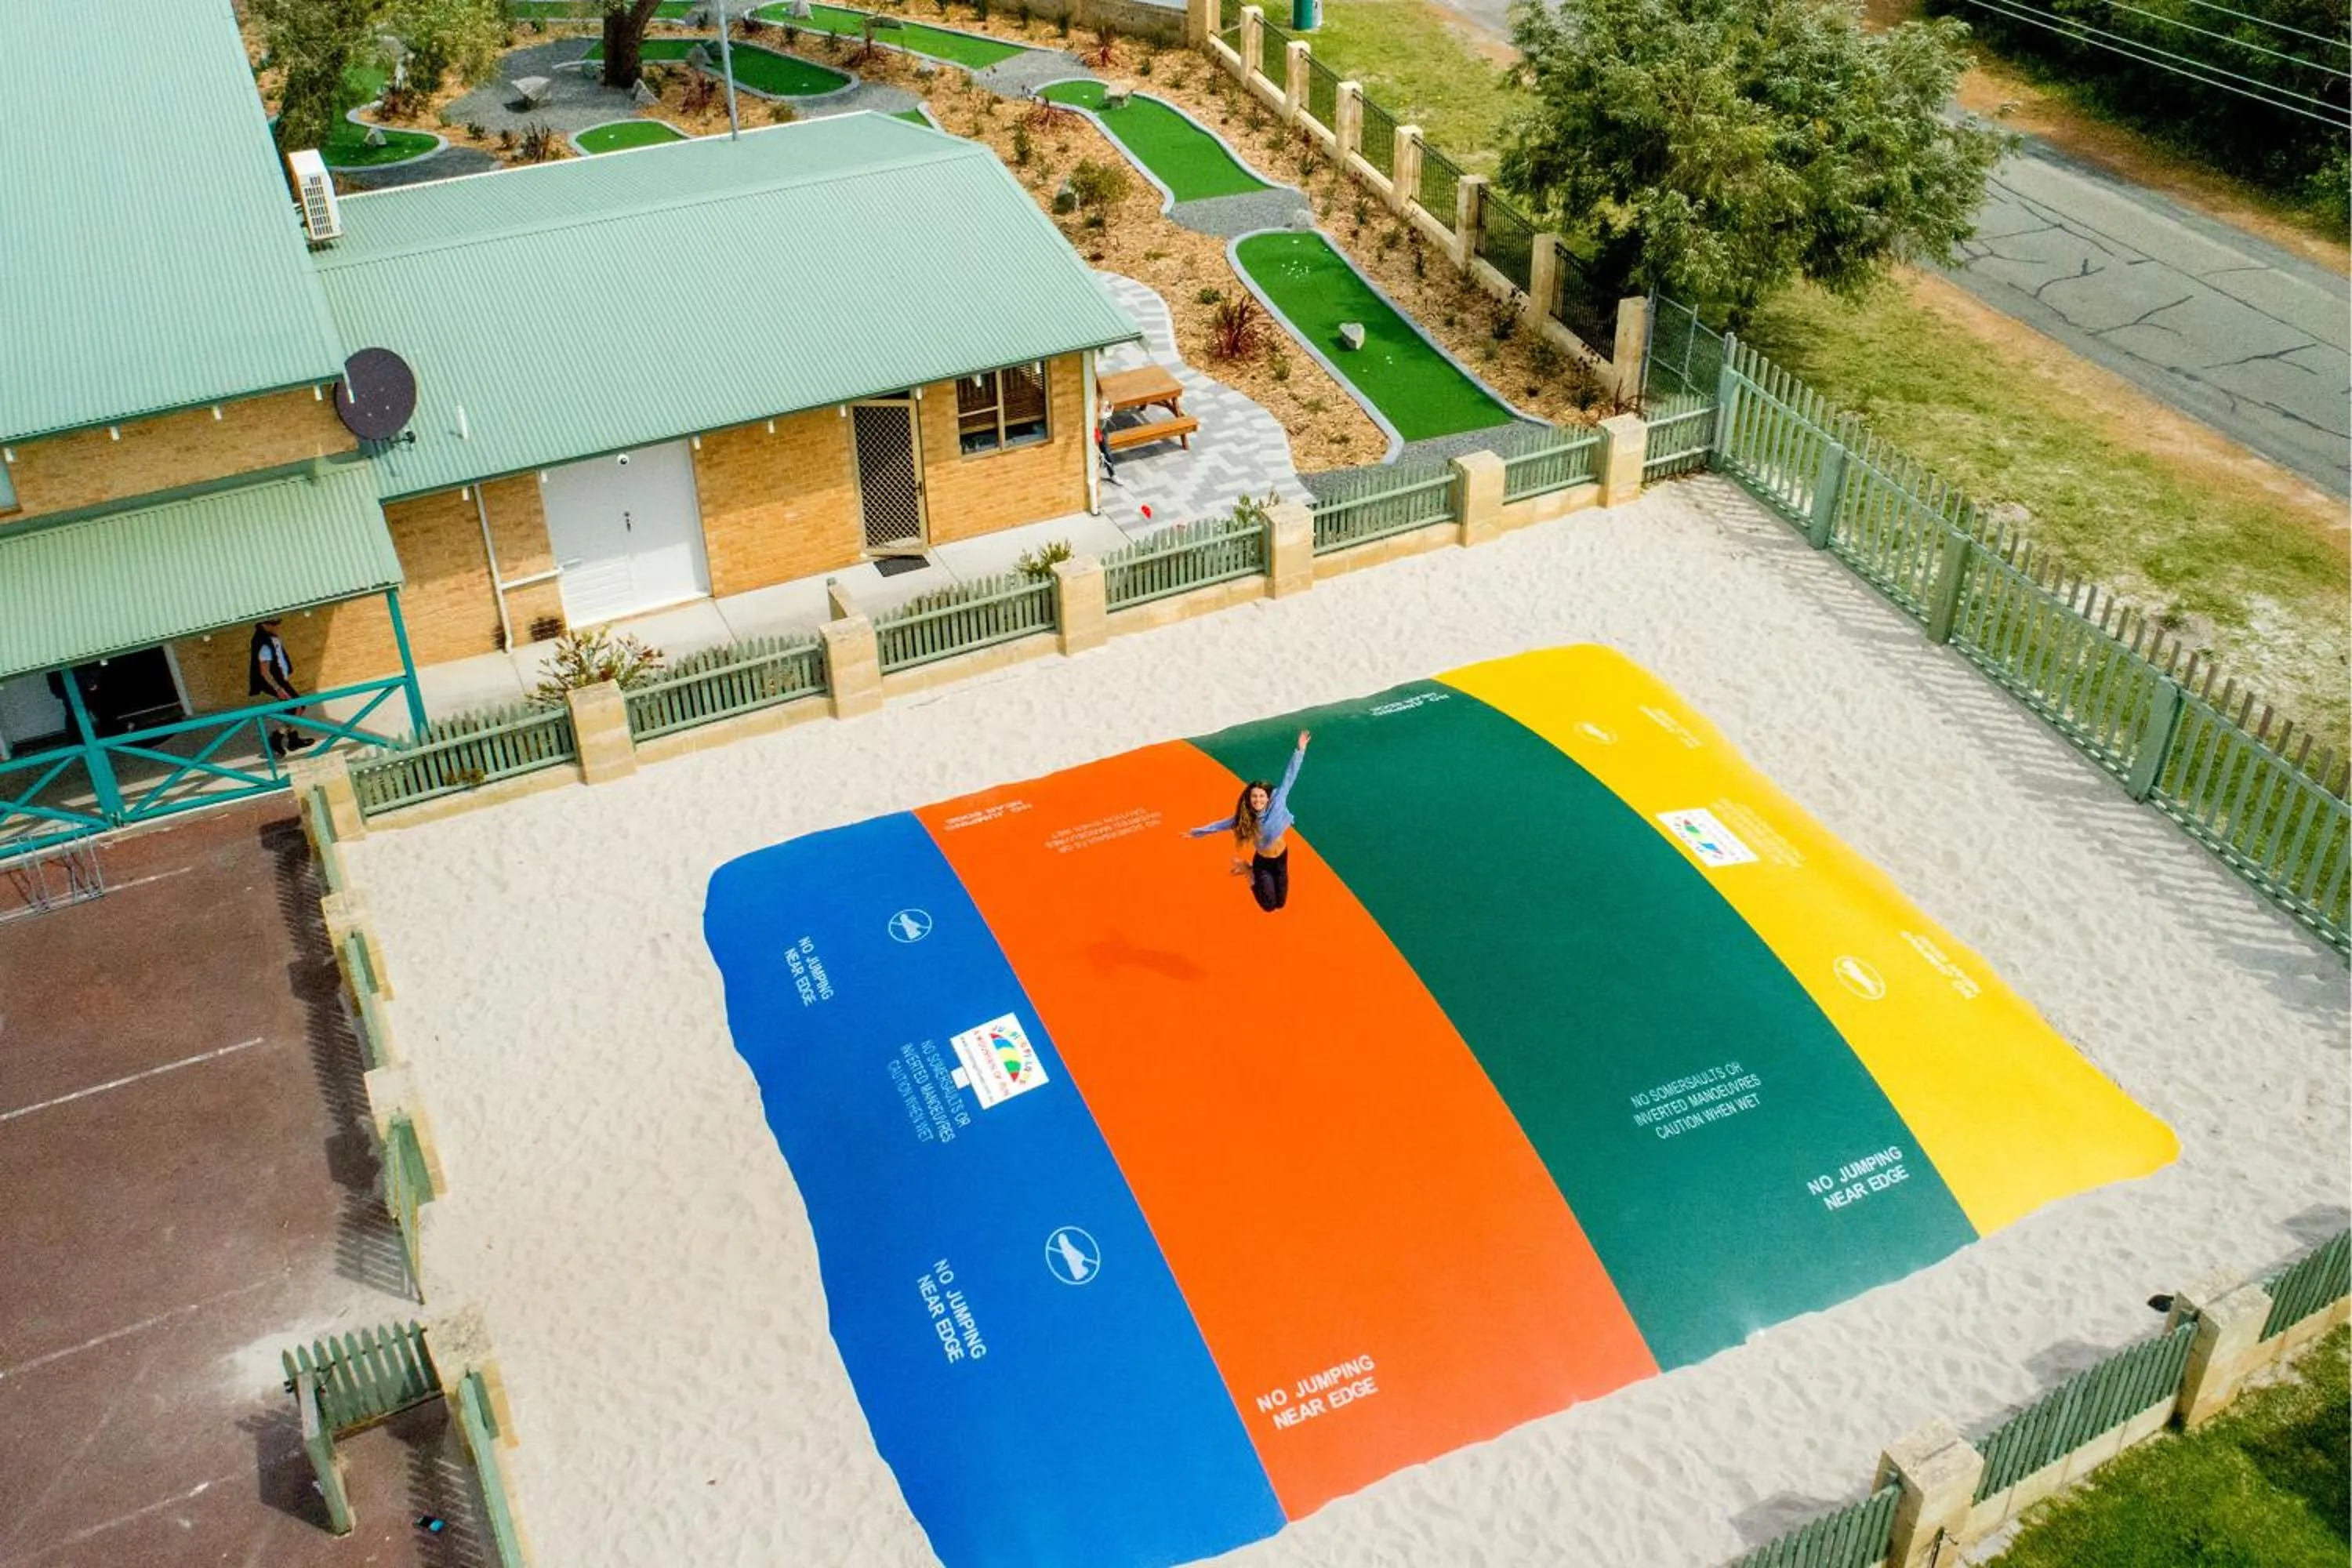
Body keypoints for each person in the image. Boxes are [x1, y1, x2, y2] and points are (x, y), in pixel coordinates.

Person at [1186, 730, 1310, 913]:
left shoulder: (1278, 800)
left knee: (1281, 904)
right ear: (1249, 799)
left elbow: (1290, 776)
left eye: (1261, 796)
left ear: (1267, 797)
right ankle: (1247, 870)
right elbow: (1221, 825)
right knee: (1269, 906)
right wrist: (1196, 832)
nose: (1258, 800)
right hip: (1262, 863)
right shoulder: (1246, 817)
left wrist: (1300, 750)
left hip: (1282, 858)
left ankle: (1251, 871)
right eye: (1254, 797)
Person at [249, 618, 314, 755]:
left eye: (278, 622)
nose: (277, 626)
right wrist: (278, 688)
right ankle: (277, 737)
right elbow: (264, 671)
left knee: (293, 708)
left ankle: (292, 740)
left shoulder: (271, 638)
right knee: (298, 706)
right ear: (263, 625)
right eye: (273, 623)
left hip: (280, 680)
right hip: (275, 682)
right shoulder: (264, 644)